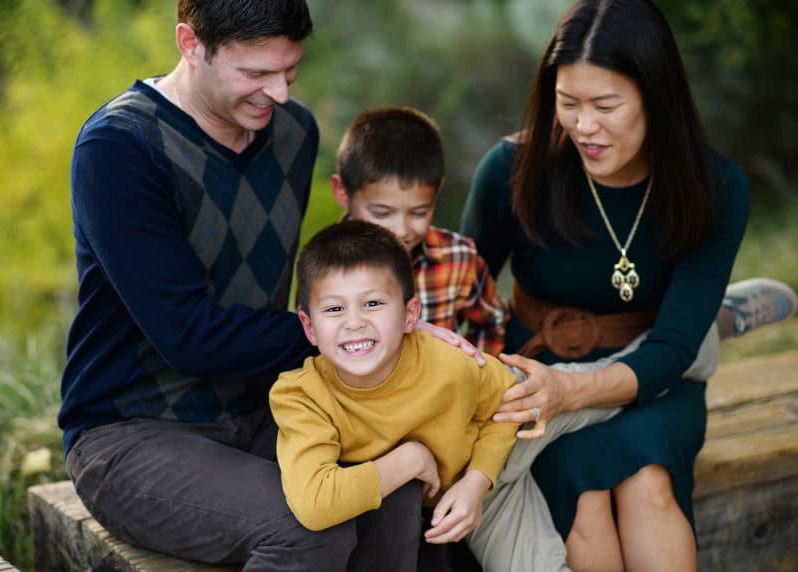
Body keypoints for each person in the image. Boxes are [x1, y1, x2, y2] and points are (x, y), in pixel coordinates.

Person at [59, 1, 400, 569]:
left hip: (267, 408)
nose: (281, 93)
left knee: (391, 492)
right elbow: (188, 335)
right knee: (311, 530)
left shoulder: (293, 132)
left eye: (289, 72)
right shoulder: (119, 148)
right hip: (130, 433)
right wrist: (336, 333)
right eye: (256, 74)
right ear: (191, 43)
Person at [458, 0, 789, 570]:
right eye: (568, 104)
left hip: (653, 370)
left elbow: (671, 352)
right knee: (585, 504)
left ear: (656, 99)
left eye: (606, 105)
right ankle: (723, 316)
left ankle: (714, 317)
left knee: (648, 486)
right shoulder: (511, 168)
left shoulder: (716, 188)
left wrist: (573, 391)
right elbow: (460, 300)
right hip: (540, 375)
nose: (585, 126)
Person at [269, 220, 520, 571]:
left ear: (410, 315)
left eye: (372, 303)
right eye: (334, 309)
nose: (354, 322)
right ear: (309, 328)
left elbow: (511, 398)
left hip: (472, 489)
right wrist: (411, 460)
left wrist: (478, 482)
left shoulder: (450, 362)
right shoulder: (300, 394)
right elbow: (314, 503)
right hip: (392, 511)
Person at [331, 106, 508, 355]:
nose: (401, 231)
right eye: (382, 213)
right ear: (342, 192)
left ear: (437, 192)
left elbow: (492, 321)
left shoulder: (458, 258)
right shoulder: (324, 264)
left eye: (418, 212)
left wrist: (474, 374)